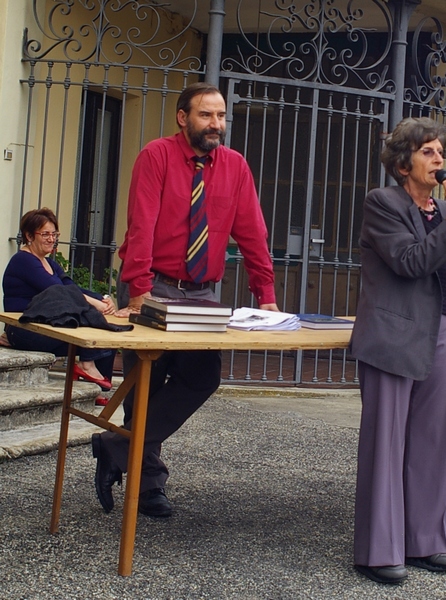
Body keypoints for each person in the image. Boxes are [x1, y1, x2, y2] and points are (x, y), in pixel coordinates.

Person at [92, 82, 278, 519]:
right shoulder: (156, 156)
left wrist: (265, 293)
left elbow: (252, 233)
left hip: (201, 293)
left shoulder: (235, 167)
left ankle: (116, 444)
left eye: (221, 116)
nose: (216, 124)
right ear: (183, 117)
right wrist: (137, 289)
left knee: (202, 375)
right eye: (206, 115)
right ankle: (148, 482)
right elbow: (141, 223)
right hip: (153, 285)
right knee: (147, 385)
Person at [349, 117, 446, 584]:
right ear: (404, 163)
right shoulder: (383, 204)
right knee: (387, 443)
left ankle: (429, 541)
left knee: (435, 440)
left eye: (441, 151)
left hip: (439, 332)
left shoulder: (438, 214)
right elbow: (409, 262)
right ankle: (379, 551)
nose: (439, 159)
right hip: (393, 336)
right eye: (427, 151)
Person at [2, 208, 117, 406]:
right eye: (45, 234)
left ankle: (96, 388)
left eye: (54, 234)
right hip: (25, 329)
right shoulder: (23, 260)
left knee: (106, 335)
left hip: (47, 324)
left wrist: (104, 298)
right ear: (29, 236)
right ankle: (87, 366)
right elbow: (57, 290)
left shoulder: (49, 263)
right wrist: (96, 305)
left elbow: (70, 286)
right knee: (90, 328)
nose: (51, 239)